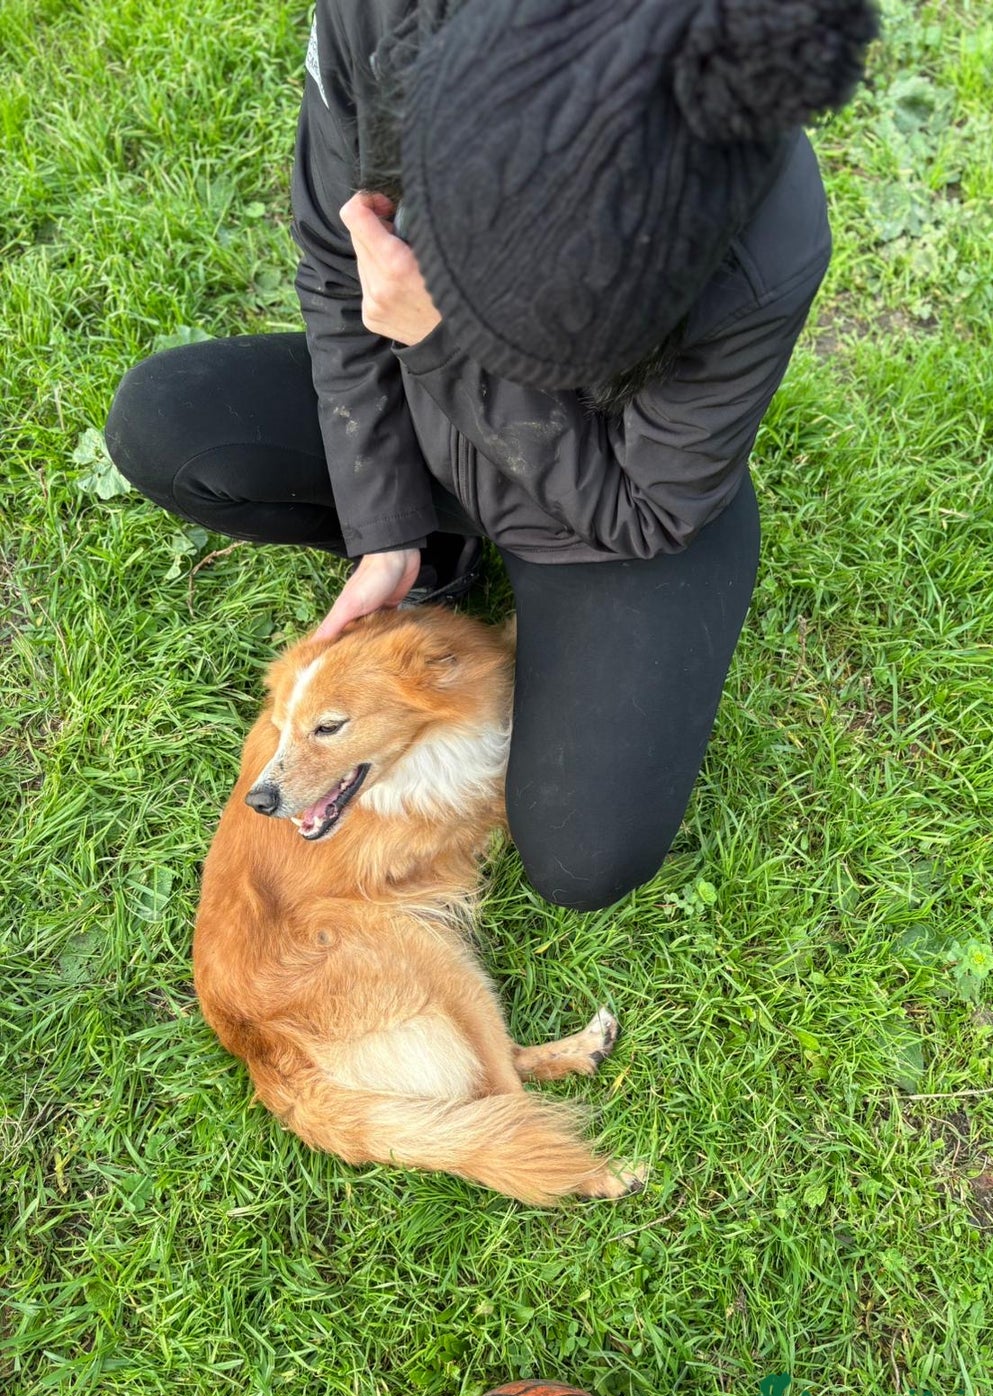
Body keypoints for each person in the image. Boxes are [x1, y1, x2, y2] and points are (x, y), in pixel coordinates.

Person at [105, 0, 877, 911]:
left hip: (611, 507)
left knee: (582, 858)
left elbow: (647, 511)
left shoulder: (763, 251)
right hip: (421, 411)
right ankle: (445, 551)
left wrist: (437, 340)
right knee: (168, 422)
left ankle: (534, 560)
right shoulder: (382, 16)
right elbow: (332, 255)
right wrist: (387, 524)